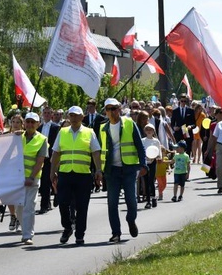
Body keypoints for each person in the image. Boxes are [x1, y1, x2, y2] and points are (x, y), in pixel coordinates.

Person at [50, 106, 102, 245]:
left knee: (82, 206)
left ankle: (80, 234)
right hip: (65, 173)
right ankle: (67, 227)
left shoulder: (89, 132)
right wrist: (52, 170)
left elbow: (96, 152)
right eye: (71, 115)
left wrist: (98, 170)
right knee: (63, 203)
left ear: (82, 117)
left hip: (83, 174)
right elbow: (56, 152)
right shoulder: (63, 132)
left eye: (76, 115)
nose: (73, 118)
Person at [99, 98, 147, 243]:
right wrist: (99, 170)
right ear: (105, 111)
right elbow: (100, 150)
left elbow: (140, 146)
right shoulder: (103, 128)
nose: (112, 111)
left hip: (128, 169)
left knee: (131, 200)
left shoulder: (129, 124)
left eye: (114, 108)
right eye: (108, 109)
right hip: (111, 171)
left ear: (119, 109)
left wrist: (143, 165)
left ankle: (131, 220)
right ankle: (116, 233)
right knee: (112, 203)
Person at [15, 112, 47, 245]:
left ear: (37, 124)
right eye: (27, 122)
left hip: (32, 179)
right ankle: (25, 229)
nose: (29, 124)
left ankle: (27, 235)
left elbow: (39, 161)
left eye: (32, 122)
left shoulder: (42, 139)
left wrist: (32, 177)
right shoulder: (17, 136)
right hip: (17, 179)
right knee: (19, 208)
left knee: (29, 207)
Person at [37, 106, 60, 214]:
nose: (46, 114)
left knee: (52, 180)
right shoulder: (39, 128)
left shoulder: (56, 127)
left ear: (51, 114)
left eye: (48, 113)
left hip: (52, 157)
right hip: (43, 158)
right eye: (44, 112)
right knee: (44, 182)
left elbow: (57, 143)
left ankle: (56, 195)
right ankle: (44, 205)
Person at [141, 123, 162, 208]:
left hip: (153, 162)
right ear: (145, 131)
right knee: (146, 181)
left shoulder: (156, 141)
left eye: (151, 130)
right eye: (147, 130)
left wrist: (159, 157)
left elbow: (158, 150)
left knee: (151, 181)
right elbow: (141, 150)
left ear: (153, 131)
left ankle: (153, 198)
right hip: (145, 162)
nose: (149, 131)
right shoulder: (143, 140)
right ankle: (148, 200)